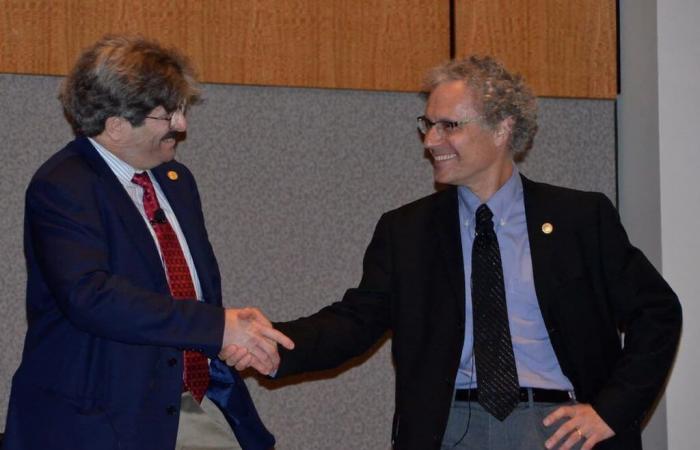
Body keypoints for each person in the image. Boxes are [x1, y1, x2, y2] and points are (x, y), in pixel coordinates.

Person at [221, 56, 682, 450]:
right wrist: (275, 345)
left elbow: (658, 313)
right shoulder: (407, 230)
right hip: (449, 430)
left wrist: (610, 411)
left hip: (558, 428)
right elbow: (355, 322)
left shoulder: (581, 217)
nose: (430, 141)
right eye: (428, 124)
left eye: (449, 126)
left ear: (503, 128)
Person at [3, 35, 293, 450]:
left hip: (189, 401)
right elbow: (92, 297)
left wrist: (235, 334)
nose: (182, 125)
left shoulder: (177, 182)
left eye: (182, 110)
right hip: (101, 419)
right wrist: (217, 327)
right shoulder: (63, 185)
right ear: (116, 125)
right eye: (167, 115)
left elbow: (187, 290)